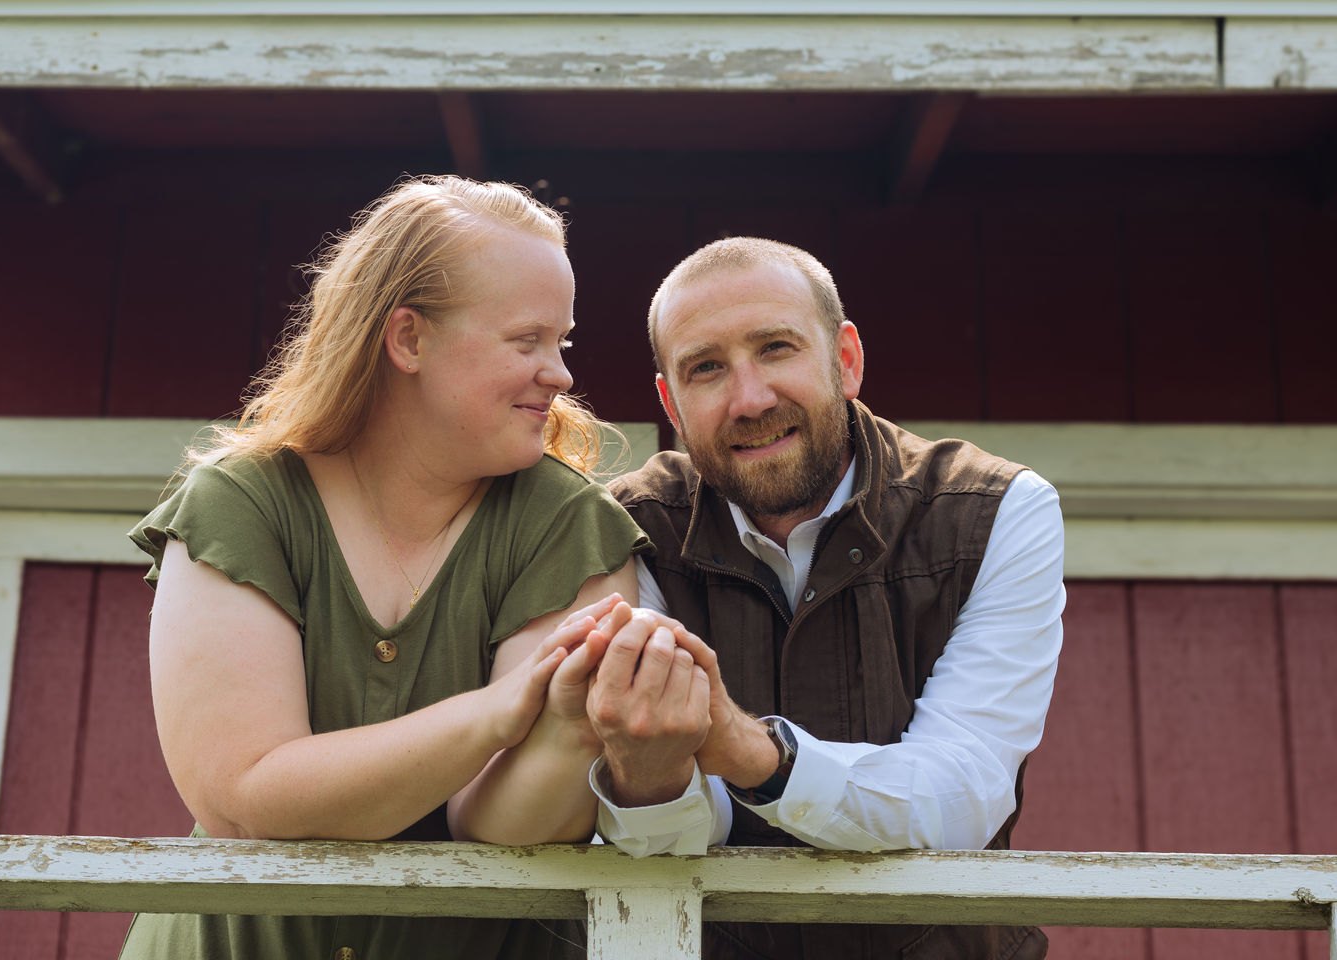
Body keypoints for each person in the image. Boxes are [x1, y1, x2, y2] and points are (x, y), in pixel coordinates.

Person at [118, 176, 647, 960]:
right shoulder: (242, 503)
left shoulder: (570, 525)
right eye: (526, 340)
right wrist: (498, 713)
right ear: (407, 339)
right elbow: (247, 796)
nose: (560, 374)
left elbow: (500, 825)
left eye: (561, 343)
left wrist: (568, 732)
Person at [584, 237, 1065, 959]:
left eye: (775, 348)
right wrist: (649, 777)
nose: (749, 400)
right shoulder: (624, 527)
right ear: (669, 402)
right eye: (705, 368)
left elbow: (959, 795)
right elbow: (665, 840)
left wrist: (751, 752)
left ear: (845, 360)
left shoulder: (994, 510)